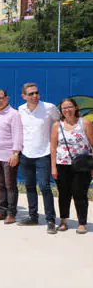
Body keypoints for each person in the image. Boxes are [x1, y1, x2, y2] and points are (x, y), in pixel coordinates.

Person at [17, 83, 59, 234]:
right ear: (24, 96)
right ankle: (33, 216)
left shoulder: (49, 107)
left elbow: (58, 123)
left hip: (44, 153)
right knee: (29, 187)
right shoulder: (21, 110)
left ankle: (50, 220)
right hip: (26, 154)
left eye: (36, 93)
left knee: (44, 186)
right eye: (31, 94)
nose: (35, 96)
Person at [50, 98, 93, 234]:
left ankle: (82, 223)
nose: (67, 110)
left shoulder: (84, 123)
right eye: (64, 108)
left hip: (82, 165)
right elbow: (53, 147)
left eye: (69, 107)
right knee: (64, 194)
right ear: (61, 111)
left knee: (80, 194)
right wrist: (53, 167)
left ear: (75, 108)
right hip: (62, 164)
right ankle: (63, 221)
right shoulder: (57, 125)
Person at [0, 89, 23, 224]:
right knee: (0, 185)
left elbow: (18, 135)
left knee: (10, 185)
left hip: (9, 156)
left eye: (1, 98)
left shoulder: (14, 114)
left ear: (7, 98)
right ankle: (2, 211)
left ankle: (11, 213)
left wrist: (15, 153)